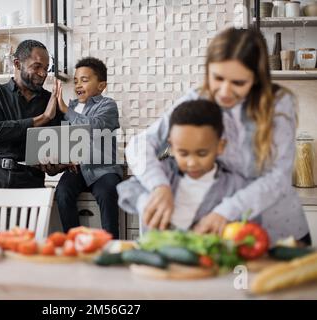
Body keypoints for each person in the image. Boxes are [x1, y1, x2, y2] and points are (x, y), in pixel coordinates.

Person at [125, 27, 310, 244]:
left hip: (278, 229)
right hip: (226, 231)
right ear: (208, 71)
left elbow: (278, 178)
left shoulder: (277, 104)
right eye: (218, 78)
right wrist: (159, 185)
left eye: (238, 83)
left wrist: (226, 211)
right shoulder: (198, 98)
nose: (224, 91)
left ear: (257, 78)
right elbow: (140, 144)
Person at [118, 100, 246, 232]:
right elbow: (127, 189)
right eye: (183, 153)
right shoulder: (164, 172)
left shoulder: (234, 185)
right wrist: (145, 201)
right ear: (172, 145)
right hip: (156, 251)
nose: (192, 163)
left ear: (220, 146)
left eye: (202, 153)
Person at [0, 40, 63, 189]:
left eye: (46, 68)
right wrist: (44, 118)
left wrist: (56, 166)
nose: (43, 73)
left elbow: (56, 152)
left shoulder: (50, 101)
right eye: (36, 67)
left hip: (31, 179)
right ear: (17, 64)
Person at [54, 57, 123, 239]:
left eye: (84, 80)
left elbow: (96, 126)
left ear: (101, 86)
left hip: (103, 168)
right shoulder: (72, 106)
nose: (78, 85)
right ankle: (74, 241)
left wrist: (66, 111)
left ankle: (111, 245)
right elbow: (65, 139)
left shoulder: (107, 105)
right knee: (62, 192)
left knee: (107, 192)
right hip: (77, 168)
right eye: (76, 81)